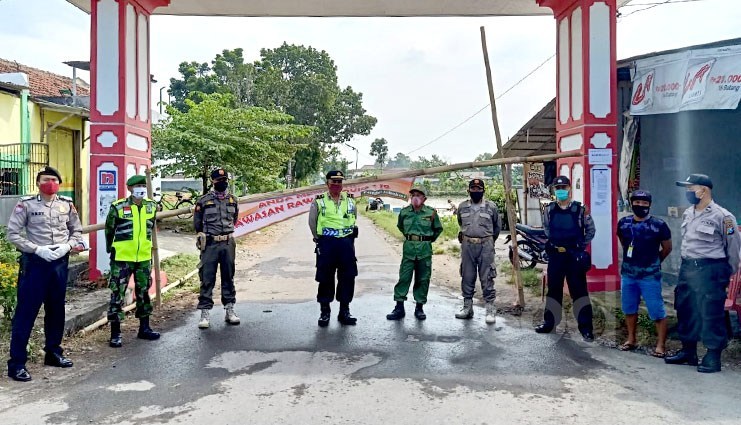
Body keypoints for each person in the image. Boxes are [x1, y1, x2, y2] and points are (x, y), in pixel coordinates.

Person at [5, 166, 84, 382]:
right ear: (38, 183)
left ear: (58, 183)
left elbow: (76, 231)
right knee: (26, 313)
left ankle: (53, 353)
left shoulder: (66, 205)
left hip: (59, 262)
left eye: (53, 179)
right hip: (35, 263)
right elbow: (13, 234)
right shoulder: (26, 204)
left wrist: (67, 246)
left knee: (56, 310)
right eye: (44, 179)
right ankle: (17, 364)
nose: (49, 182)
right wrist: (36, 249)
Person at [665, 174, 741, 373]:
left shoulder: (724, 217)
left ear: (704, 190)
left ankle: (713, 356)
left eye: (691, 188)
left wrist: (727, 272)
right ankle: (688, 351)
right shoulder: (688, 213)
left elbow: (733, 249)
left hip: (711, 269)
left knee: (711, 312)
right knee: (685, 308)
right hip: (688, 267)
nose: (687, 192)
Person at [534, 175, 596, 341]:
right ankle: (550, 324)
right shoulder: (549, 209)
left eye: (564, 188)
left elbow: (591, 230)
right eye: (558, 188)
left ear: (570, 189)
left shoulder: (580, 209)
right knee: (554, 291)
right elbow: (547, 229)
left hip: (574, 257)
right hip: (556, 256)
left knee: (579, 292)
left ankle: (586, 329)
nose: (561, 191)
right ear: (554, 190)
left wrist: (580, 246)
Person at [104, 175, 161, 348]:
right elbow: (109, 230)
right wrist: (111, 250)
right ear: (129, 188)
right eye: (137, 186)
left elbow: (151, 228)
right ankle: (115, 333)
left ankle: (144, 328)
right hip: (122, 258)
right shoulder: (118, 207)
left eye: (144, 185)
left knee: (143, 292)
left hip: (143, 257)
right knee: (117, 294)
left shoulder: (151, 206)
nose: (141, 188)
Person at [616, 190, 672, 357]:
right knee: (629, 307)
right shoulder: (624, 223)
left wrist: (653, 263)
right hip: (628, 274)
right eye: (637, 202)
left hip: (650, 276)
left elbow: (667, 248)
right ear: (632, 204)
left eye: (644, 203)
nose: (640, 206)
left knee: (656, 310)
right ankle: (631, 339)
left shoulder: (659, 225)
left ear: (649, 205)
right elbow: (624, 243)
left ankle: (661, 345)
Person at [308, 170, 359, 327]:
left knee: (348, 277)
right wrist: (319, 240)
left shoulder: (350, 200)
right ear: (327, 183)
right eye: (333, 182)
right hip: (327, 244)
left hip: (346, 244)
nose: (336, 185)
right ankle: (325, 312)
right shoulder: (319, 201)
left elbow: (354, 218)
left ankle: (344, 311)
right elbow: (312, 222)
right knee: (325, 278)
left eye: (339, 182)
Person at [386, 186, 443, 321]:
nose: (415, 197)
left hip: (425, 250)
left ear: (424, 198)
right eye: (413, 195)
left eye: (418, 195)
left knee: (423, 279)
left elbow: (438, 229)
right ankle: (399, 308)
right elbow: (401, 226)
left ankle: (419, 308)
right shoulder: (405, 212)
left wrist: (426, 240)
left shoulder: (431, 213)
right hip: (409, 250)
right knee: (404, 278)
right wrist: (412, 238)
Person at [194, 168, 240, 329]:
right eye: (219, 181)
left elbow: (234, 220)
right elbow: (197, 224)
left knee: (228, 277)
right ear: (213, 182)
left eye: (225, 180)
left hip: (227, 243)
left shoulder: (233, 200)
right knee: (207, 278)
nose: (223, 183)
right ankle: (205, 313)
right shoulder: (203, 201)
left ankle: (230, 311)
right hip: (210, 244)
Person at [454, 179, 501, 324]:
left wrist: (488, 240)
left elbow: (497, 227)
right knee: (467, 276)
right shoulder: (462, 207)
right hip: (468, 245)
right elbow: (461, 223)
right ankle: (467, 308)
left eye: (478, 188)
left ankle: (490, 309)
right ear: (469, 191)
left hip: (486, 245)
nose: (476, 191)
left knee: (487, 277)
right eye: (473, 189)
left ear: (483, 190)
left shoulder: (491, 207)